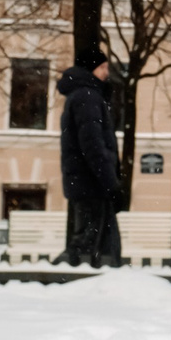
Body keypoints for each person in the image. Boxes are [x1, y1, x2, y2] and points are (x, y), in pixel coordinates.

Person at [56, 51, 123, 268]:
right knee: (90, 245)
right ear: (90, 70)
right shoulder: (88, 97)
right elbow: (93, 145)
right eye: (102, 68)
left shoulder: (80, 96)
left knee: (93, 243)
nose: (106, 73)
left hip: (84, 181)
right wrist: (111, 183)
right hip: (92, 183)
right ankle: (58, 279)